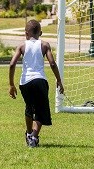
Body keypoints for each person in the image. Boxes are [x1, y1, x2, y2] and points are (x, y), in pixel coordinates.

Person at [8, 19, 64, 148]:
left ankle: (29, 134)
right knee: (40, 110)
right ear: (41, 32)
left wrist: (11, 84)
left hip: (25, 82)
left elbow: (12, 64)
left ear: (26, 33)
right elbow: (52, 63)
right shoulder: (44, 45)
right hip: (40, 80)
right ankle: (34, 137)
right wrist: (59, 81)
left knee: (29, 107)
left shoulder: (22, 46)